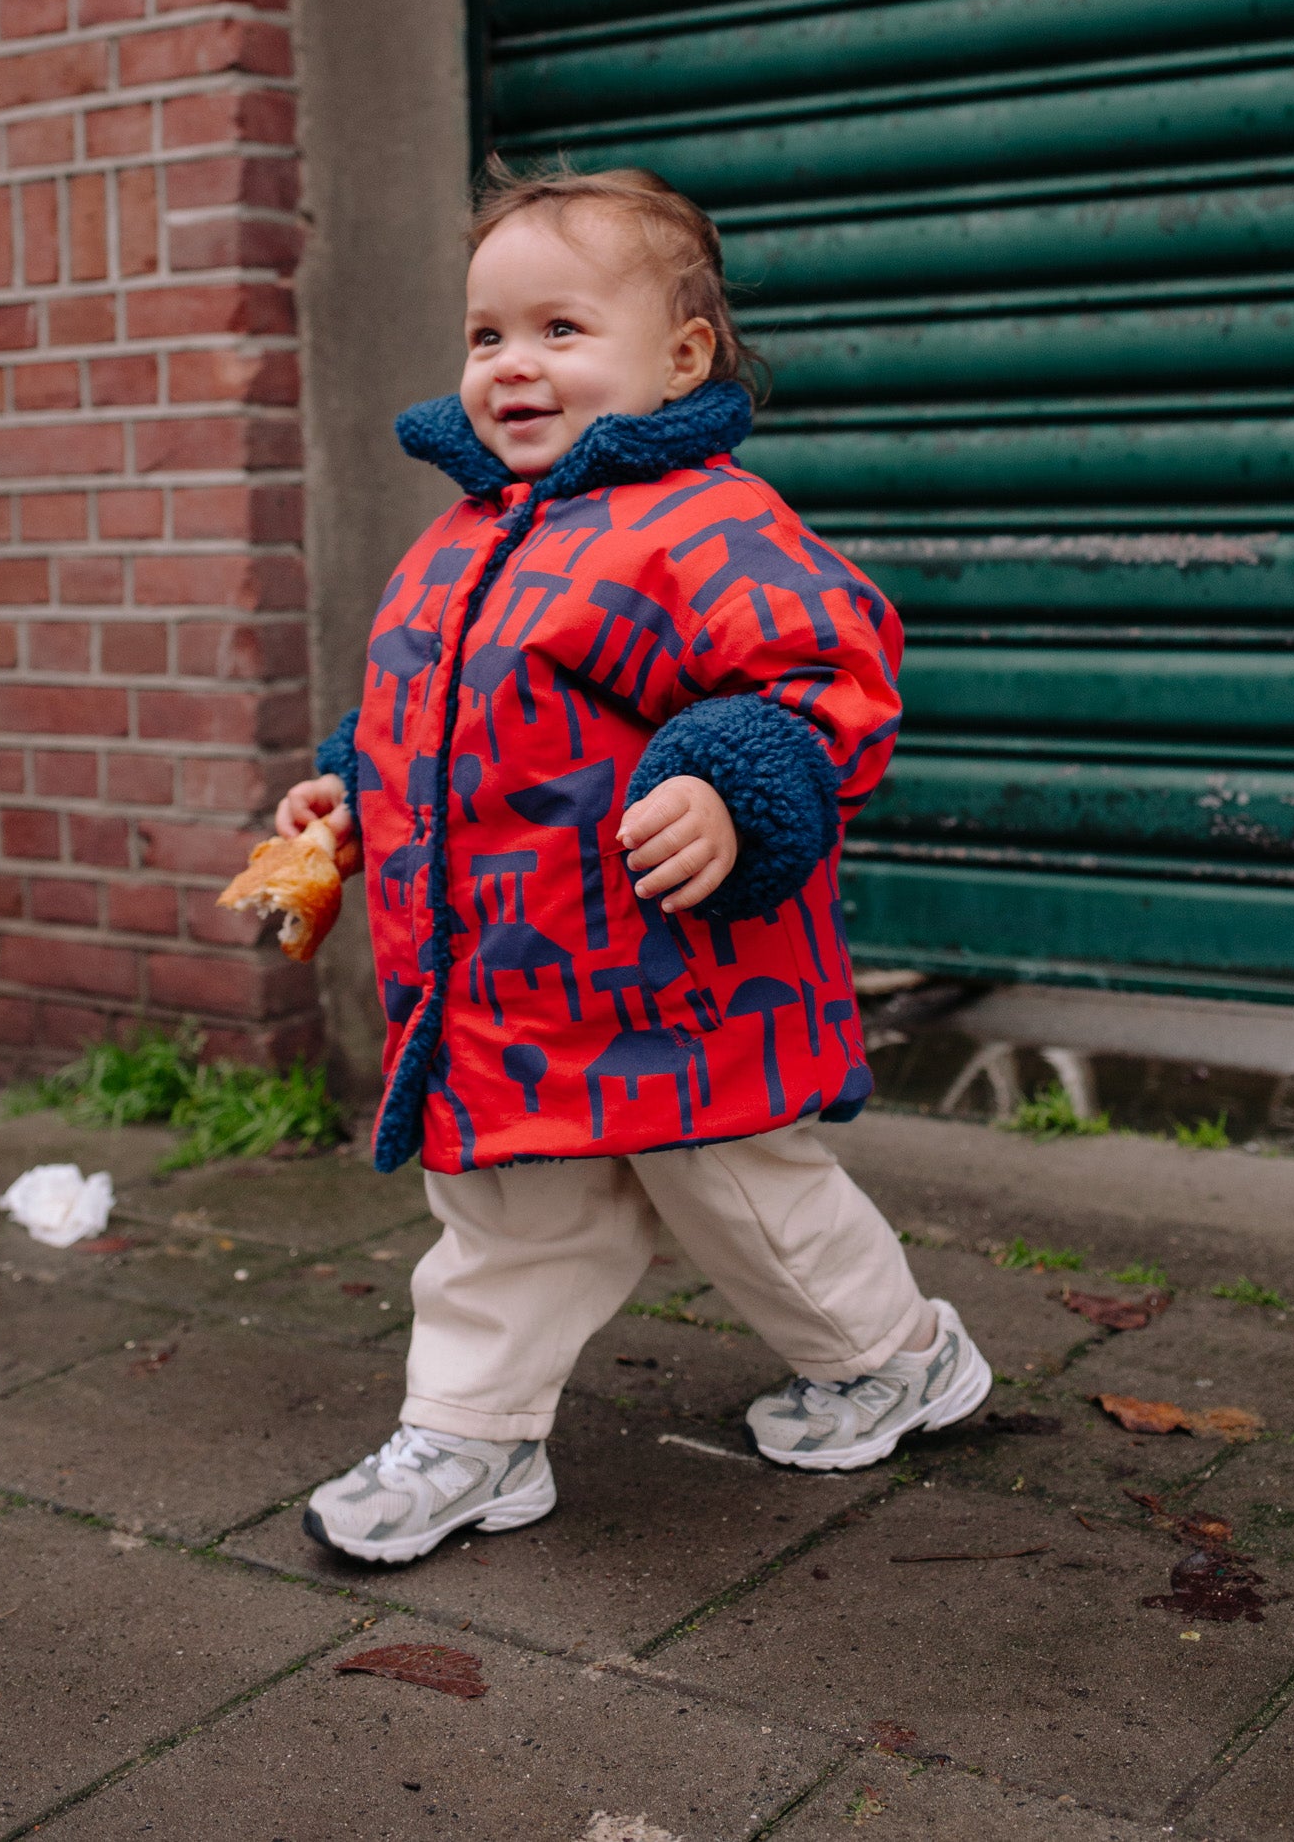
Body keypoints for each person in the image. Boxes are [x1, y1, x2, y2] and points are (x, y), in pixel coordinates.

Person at [278, 159, 991, 1564]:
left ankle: (895, 1358)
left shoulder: (705, 525)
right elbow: (423, 713)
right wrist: (349, 796)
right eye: (488, 336)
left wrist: (738, 789)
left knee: (746, 1199)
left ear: (680, 357)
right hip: (513, 994)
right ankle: (473, 1442)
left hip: (681, 985)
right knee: (508, 1215)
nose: (514, 366)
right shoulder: (456, 541)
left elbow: (827, 676)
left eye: (560, 329)